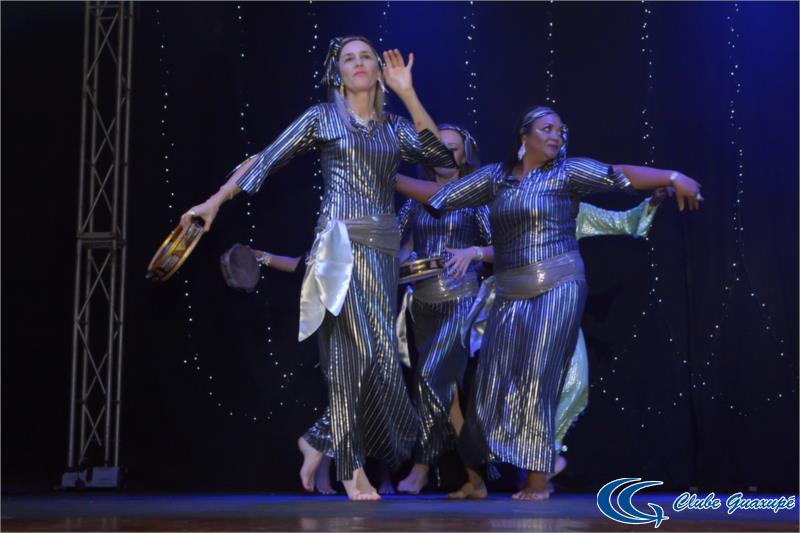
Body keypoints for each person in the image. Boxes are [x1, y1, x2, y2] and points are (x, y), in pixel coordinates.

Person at [180, 36, 455, 501]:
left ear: (379, 71)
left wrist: (408, 94)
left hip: (382, 252)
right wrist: (214, 201)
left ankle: (318, 439)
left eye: (366, 56)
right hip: (338, 248)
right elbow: (265, 159)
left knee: (382, 363)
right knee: (351, 355)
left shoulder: (393, 127)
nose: (359, 63)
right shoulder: (321, 118)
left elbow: (442, 161)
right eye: (349, 58)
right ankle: (350, 467)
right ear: (337, 73)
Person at [395, 105, 702, 500]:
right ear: (523, 137)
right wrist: (389, 175)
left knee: (537, 378)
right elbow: (443, 196)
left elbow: (617, 174)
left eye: (560, 130)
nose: (557, 135)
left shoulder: (568, 173)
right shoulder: (495, 178)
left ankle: (537, 478)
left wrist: (672, 176)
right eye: (547, 128)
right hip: (510, 291)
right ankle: (480, 474)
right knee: (491, 383)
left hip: (559, 285)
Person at [455, 188, 670, 497]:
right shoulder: (511, 204)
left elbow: (622, 222)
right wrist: (477, 253)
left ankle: (542, 460)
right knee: (523, 389)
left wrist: (652, 201)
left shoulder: (571, 212)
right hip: (518, 309)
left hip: (560, 309)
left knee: (573, 382)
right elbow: (505, 248)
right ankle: (533, 467)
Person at [393, 124, 492, 494]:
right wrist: (406, 263)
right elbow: (396, 248)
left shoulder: (475, 199)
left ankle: (420, 467)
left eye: (454, 148)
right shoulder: (414, 201)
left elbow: (503, 247)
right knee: (447, 396)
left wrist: (473, 253)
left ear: (465, 155)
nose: (447, 154)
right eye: (440, 147)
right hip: (423, 305)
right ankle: (476, 478)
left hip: (461, 301)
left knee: (429, 378)